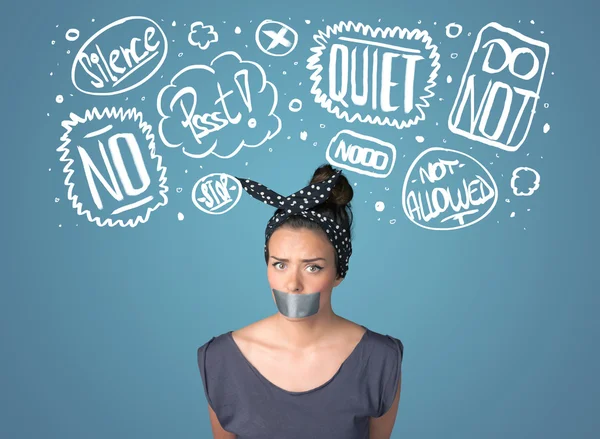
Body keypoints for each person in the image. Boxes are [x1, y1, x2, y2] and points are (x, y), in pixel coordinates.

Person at [197, 164, 404, 439]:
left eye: (313, 267)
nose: (293, 284)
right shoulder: (221, 358)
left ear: (338, 273)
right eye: (280, 265)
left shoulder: (380, 359)